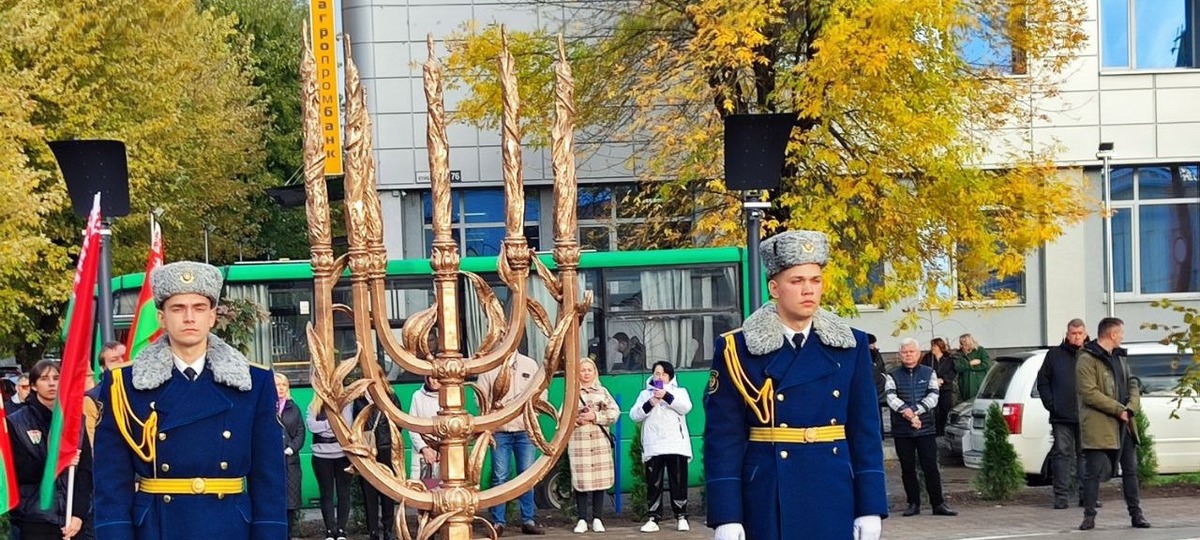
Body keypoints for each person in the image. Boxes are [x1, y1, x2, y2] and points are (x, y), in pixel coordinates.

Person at [704, 230, 887, 540]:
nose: (808, 290)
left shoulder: (850, 345)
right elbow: (723, 439)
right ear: (774, 288)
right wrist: (727, 516)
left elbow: (865, 432)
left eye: (815, 280)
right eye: (797, 281)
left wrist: (870, 507)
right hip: (768, 493)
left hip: (834, 491)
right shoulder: (737, 348)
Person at [93, 261, 287, 539]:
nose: (189, 317)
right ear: (161, 318)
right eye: (178, 308)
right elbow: (111, 481)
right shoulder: (124, 383)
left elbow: (269, 478)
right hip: (156, 527)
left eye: (199, 308)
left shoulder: (253, 381)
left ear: (212, 316)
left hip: (230, 526)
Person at [1076, 317, 1150, 531]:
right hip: (1099, 426)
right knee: (1093, 473)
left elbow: (1133, 383)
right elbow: (1089, 393)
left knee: (1130, 471)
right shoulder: (1087, 359)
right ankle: (1089, 516)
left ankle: (1136, 514)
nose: (1122, 337)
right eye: (1121, 333)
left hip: (1124, 425)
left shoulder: (1120, 357)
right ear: (1112, 334)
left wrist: (1130, 408)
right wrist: (1119, 410)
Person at [6, 360, 93, 539]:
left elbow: (85, 470)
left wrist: (79, 514)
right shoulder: (16, 422)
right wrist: (57, 462)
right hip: (35, 518)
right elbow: (18, 471)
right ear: (33, 385)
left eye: (56, 378)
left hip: (72, 517)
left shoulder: (76, 421)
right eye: (44, 379)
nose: (52, 383)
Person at [477, 352, 546, 536]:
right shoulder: (489, 366)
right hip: (500, 432)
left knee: (527, 476)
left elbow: (541, 391)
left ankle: (528, 520)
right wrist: (491, 421)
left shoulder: (529, 364)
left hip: (525, 430)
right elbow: (480, 397)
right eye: (501, 338)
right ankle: (498, 522)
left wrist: (532, 416)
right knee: (500, 477)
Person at [886, 338, 956, 517]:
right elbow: (891, 397)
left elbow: (933, 396)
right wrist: (908, 414)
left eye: (912, 351)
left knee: (930, 466)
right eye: (905, 352)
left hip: (925, 428)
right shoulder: (892, 375)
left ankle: (938, 504)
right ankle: (913, 503)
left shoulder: (929, 372)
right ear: (900, 355)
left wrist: (916, 411)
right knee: (907, 468)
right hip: (902, 430)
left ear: (918, 354)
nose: (908, 355)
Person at [631, 360, 692, 533]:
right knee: (654, 483)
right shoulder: (645, 394)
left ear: (670, 376)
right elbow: (634, 415)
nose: (660, 377)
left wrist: (666, 396)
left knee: (678, 481)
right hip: (654, 444)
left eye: (664, 374)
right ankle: (653, 518)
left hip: (676, 444)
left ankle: (681, 516)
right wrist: (650, 402)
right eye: (657, 373)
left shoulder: (679, 392)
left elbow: (686, 407)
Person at [1035, 319, 1088, 510]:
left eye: (1080, 333)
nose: (1076, 337)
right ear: (1067, 334)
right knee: (1061, 455)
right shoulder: (1054, 355)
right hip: (1061, 416)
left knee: (1086, 456)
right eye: (1073, 333)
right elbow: (1043, 382)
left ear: (1085, 334)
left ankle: (1087, 496)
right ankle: (1061, 497)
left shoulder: (1091, 354)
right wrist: (1052, 405)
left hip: (1087, 415)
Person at [568, 358, 619, 534]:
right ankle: (582, 519)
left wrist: (596, 417)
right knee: (581, 482)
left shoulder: (603, 391)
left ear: (594, 372)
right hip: (580, 443)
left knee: (599, 481)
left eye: (589, 370)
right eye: (582, 370)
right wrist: (577, 420)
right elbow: (562, 417)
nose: (586, 373)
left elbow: (614, 413)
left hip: (599, 442)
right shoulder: (572, 392)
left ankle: (598, 518)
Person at [353, 390, 403, 540]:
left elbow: (398, 421)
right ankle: (373, 530)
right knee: (369, 491)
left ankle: (388, 529)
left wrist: (388, 438)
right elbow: (355, 424)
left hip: (385, 448)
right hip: (367, 450)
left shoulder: (391, 397)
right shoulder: (359, 400)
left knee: (387, 490)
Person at [307, 395, 355, 540]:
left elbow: (346, 425)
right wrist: (333, 424)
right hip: (321, 456)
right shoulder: (313, 405)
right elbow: (312, 426)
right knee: (326, 494)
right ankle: (329, 531)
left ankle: (341, 531)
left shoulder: (346, 404)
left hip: (343, 455)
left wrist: (324, 426)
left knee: (343, 493)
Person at [275, 373, 306, 539]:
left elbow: (301, 432)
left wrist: (291, 448)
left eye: (284, 385)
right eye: (277, 385)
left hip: (290, 462)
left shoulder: (294, 408)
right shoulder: (266, 407)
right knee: (274, 501)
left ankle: (288, 535)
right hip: (272, 462)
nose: (280, 388)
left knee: (290, 504)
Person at [920, 337, 958, 436]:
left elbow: (952, 372)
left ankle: (944, 428)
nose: (932, 348)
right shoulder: (928, 357)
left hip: (945, 388)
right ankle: (936, 430)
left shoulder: (948, 358)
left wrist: (943, 379)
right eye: (932, 346)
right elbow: (923, 370)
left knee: (945, 408)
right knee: (934, 409)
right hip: (932, 387)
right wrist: (933, 380)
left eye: (935, 346)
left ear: (940, 346)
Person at [409, 375, 441, 482]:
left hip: (443, 455)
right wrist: (424, 448)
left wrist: (443, 450)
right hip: (423, 454)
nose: (434, 381)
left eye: (437, 377)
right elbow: (412, 427)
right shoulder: (417, 396)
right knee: (424, 487)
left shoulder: (451, 396)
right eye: (431, 377)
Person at [955, 333, 990, 403]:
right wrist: (970, 363)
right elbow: (958, 367)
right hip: (966, 384)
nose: (963, 345)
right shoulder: (959, 354)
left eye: (965, 342)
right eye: (961, 343)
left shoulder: (980, 350)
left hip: (979, 382)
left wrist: (969, 367)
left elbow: (986, 365)